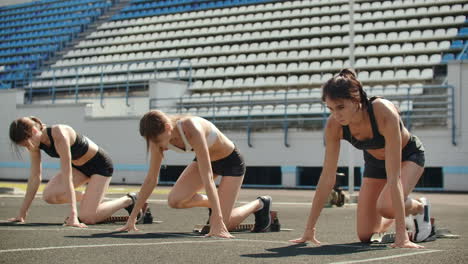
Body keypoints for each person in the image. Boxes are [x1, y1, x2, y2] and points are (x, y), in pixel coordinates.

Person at [290, 69, 431, 248]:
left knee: (386, 207)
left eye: (340, 107)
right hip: (374, 163)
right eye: (331, 109)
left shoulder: (383, 111)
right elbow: (327, 177)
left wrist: (402, 236)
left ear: (356, 100)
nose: (336, 114)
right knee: (366, 234)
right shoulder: (334, 125)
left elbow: (394, 177)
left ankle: (420, 208)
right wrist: (309, 229)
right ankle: (401, 212)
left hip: (407, 156)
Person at [117, 110, 272, 238]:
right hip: (207, 161)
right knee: (175, 200)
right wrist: (132, 219)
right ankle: (216, 204)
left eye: (159, 141)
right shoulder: (156, 140)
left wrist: (218, 220)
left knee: (223, 224)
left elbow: (208, 177)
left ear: (167, 126)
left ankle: (259, 204)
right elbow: (151, 179)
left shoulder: (191, 128)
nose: (159, 146)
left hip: (231, 162)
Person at [8, 116, 142, 227]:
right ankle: (92, 201)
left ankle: (130, 199)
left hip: (100, 166)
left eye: (26, 144)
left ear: (34, 131)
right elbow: (35, 177)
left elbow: (67, 175)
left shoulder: (59, 133)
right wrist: (22, 214)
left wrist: (74, 215)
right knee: (49, 195)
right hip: (79, 168)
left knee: (88, 218)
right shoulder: (35, 144)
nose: (27, 148)